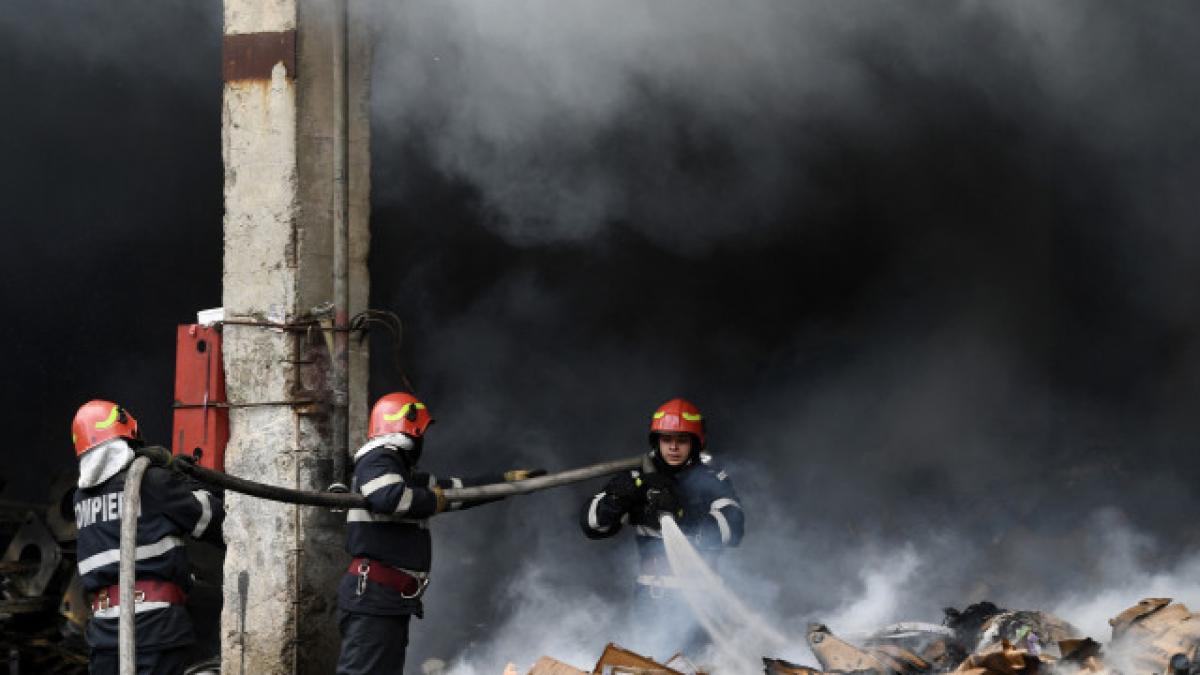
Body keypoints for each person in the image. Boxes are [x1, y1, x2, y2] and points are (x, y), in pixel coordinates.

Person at [336, 392, 542, 675]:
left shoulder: (401, 470)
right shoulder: (378, 459)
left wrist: (505, 484)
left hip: (387, 599)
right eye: (420, 432)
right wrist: (434, 501)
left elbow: (452, 491)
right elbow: (388, 498)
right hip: (375, 597)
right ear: (409, 431)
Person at [580, 398, 744, 654]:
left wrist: (681, 512)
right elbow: (592, 525)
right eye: (667, 439)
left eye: (682, 440)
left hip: (703, 601)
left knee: (705, 667)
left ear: (695, 443)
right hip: (653, 600)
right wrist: (617, 497)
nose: (674, 447)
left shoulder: (712, 480)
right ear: (656, 441)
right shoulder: (639, 479)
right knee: (651, 665)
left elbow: (732, 530)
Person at [71, 399, 224, 674]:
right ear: (129, 439)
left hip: (104, 635)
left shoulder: (80, 499)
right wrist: (186, 482)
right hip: (155, 630)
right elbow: (213, 519)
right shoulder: (151, 482)